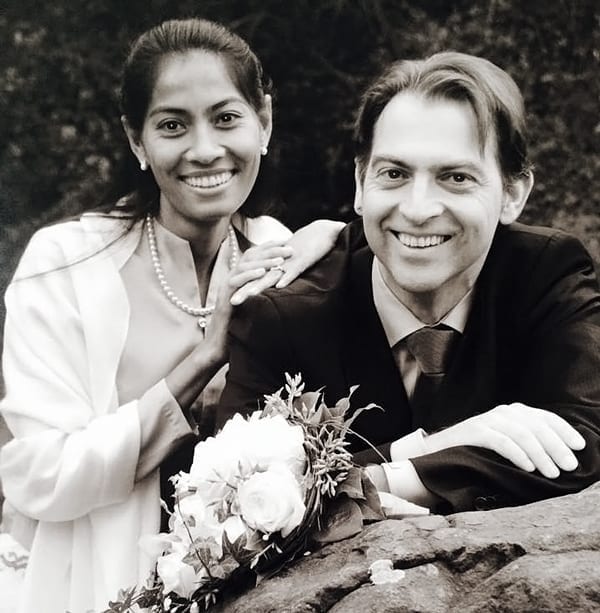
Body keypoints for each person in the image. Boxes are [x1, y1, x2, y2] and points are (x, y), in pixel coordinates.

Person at [0, 18, 343, 613]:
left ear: (265, 120)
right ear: (137, 141)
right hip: (93, 586)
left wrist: (336, 234)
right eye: (172, 126)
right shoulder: (63, 265)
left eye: (227, 117)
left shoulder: (282, 250)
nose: (205, 149)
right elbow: (39, 476)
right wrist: (207, 355)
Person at [220, 51, 600, 514]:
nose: (418, 209)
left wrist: (389, 479)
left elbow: (587, 437)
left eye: (456, 178)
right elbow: (232, 502)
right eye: (395, 174)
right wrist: (424, 450)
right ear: (361, 184)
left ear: (513, 194)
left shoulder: (544, 273)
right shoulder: (281, 317)